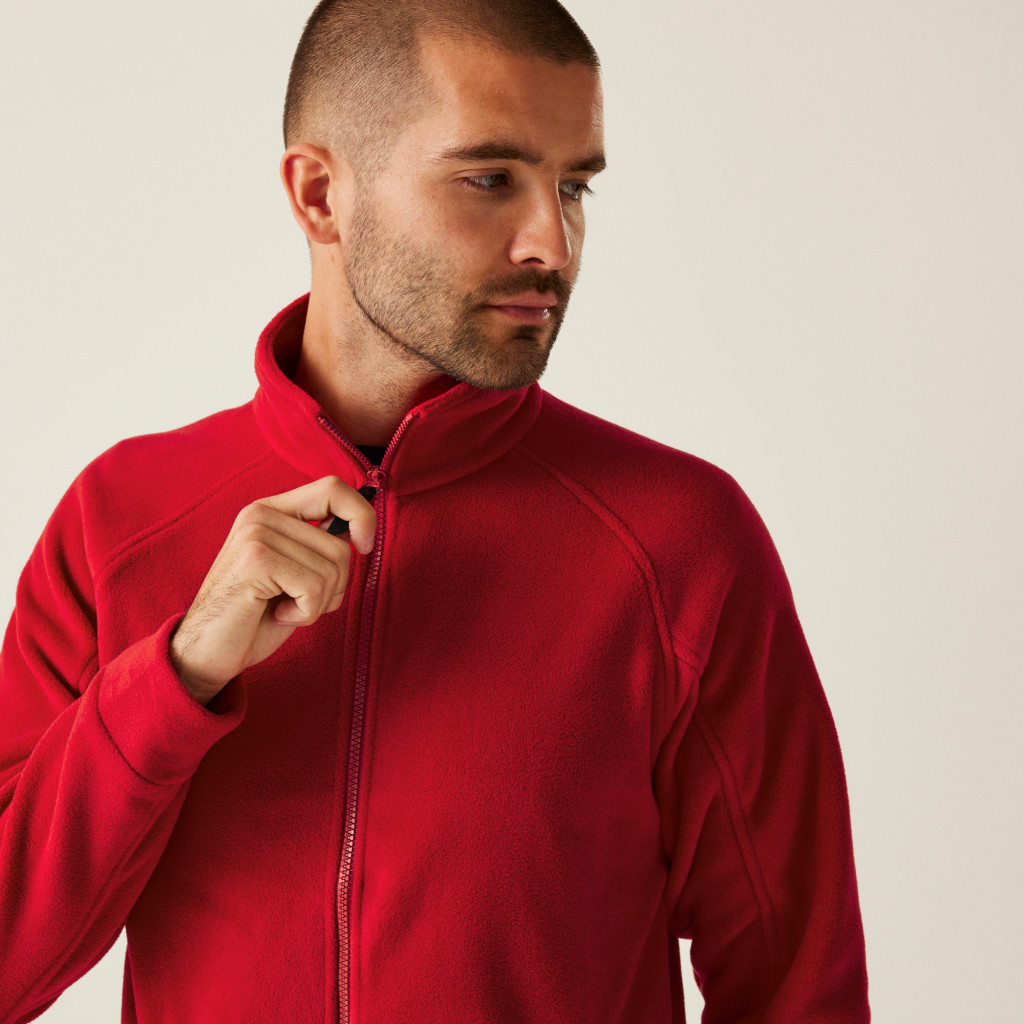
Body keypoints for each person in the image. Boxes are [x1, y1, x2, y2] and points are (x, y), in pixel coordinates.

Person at [0, 0, 870, 1021]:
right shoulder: (119, 518)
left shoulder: (680, 541)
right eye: (490, 178)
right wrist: (178, 675)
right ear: (320, 194)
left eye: (574, 185)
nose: (552, 242)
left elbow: (797, 988)